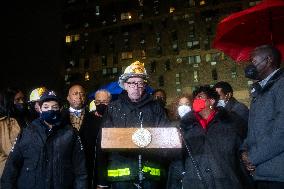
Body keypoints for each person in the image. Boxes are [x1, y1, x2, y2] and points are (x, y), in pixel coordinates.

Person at [97, 61, 169, 189]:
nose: (135, 87)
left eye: (140, 83)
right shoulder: (113, 108)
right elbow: (103, 142)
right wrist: (102, 180)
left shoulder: (156, 108)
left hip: (150, 178)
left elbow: (166, 140)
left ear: (145, 86)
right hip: (121, 179)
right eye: (131, 83)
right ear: (125, 85)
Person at [1, 90, 88, 189]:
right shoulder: (27, 132)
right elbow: (12, 165)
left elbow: (80, 171)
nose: (50, 110)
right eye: (46, 107)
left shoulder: (70, 133)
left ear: (60, 109)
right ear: (40, 109)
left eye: (54, 107)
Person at [167, 85, 246, 189]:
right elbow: (176, 158)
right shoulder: (185, 126)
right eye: (195, 98)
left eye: (200, 97)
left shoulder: (230, 122)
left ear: (212, 101)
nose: (196, 100)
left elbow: (242, 146)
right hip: (195, 183)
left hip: (226, 181)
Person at [241, 45, 284, 189]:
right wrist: (245, 151)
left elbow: (281, 132)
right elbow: (253, 129)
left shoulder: (281, 85)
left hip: (278, 175)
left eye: (253, 60)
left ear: (268, 60)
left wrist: (253, 157)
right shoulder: (258, 90)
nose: (250, 65)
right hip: (261, 172)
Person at [62, 84, 102, 189]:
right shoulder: (59, 119)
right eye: (75, 94)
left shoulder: (96, 119)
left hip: (89, 169)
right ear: (68, 97)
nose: (79, 97)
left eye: (82, 94)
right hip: (65, 170)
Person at [0, 89, 21, 180]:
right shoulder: (2, 123)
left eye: (22, 99)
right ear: (8, 101)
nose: (22, 102)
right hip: (7, 174)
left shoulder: (25, 119)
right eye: (18, 99)